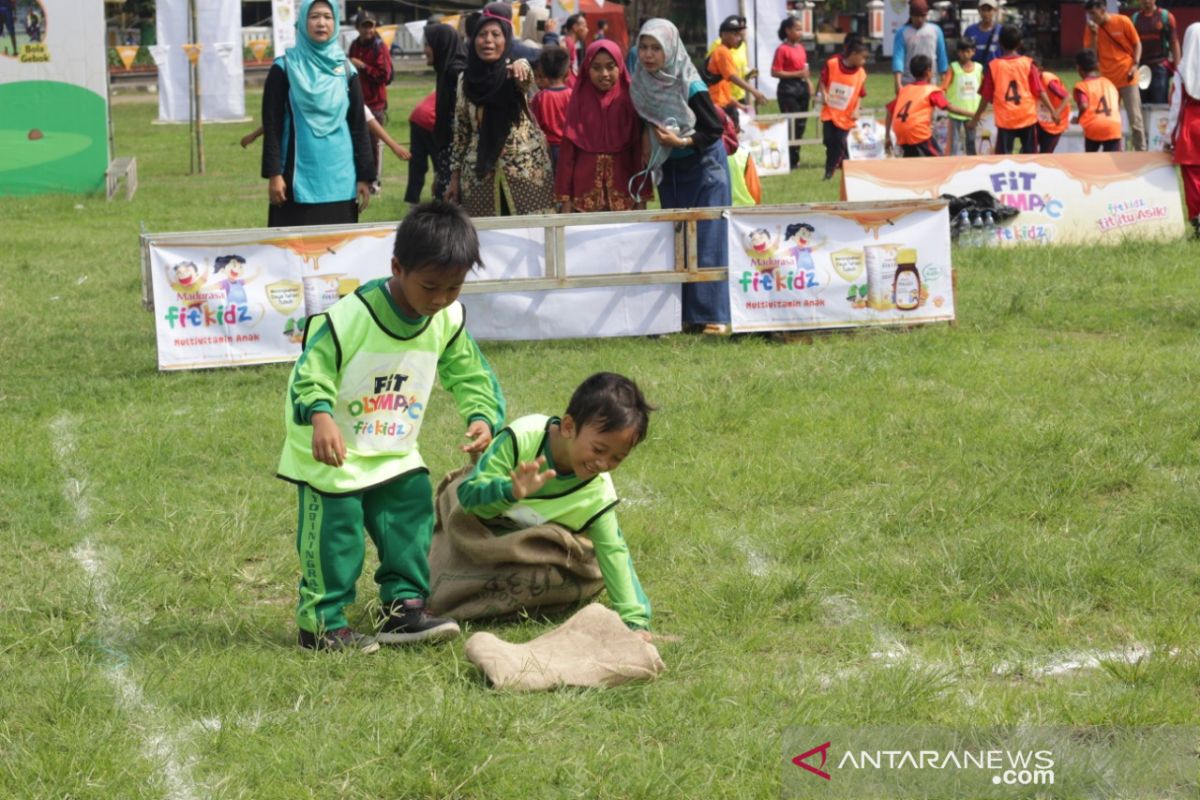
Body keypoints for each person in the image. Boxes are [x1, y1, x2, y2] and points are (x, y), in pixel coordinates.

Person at [278, 201, 506, 652]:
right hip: (333, 448)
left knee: (409, 517)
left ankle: (403, 609)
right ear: (397, 267)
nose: (440, 299)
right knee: (336, 536)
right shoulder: (349, 318)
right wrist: (321, 416)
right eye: (430, 286)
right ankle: (321, 625)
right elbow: (312, 373)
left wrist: (482, 416)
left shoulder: (446, 319)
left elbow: (470, 373)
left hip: (392, 444)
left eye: (454, 288)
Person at [456, 372, 654, 634]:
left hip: (532, 552)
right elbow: (469, 498)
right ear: (569, 426)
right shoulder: (522, 438)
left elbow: (614, 552)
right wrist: (509, 491)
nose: (603, 464)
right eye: (598, 449)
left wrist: (635, 622)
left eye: (617, 458)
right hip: (483, 534)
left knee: (572, 571)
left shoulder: (597, 492)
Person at [630, 18, 732, 334]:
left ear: (671, 49)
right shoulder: (642, 80)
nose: (648, 55)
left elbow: (714, 130)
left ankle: (713, 315)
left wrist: (683, 141)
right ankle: (684, 315)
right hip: (671, 167)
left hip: (704, 165)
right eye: (644, 48)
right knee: (676, 239)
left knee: (707, 237)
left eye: (656, 49)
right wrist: (650, 138)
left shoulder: (690, 84)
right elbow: (644, 116)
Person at [261, 0, 373, 227]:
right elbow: (272, 126)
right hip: (295, 181)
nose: (321, 23)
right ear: (302, 22)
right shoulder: (284, 68)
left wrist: (364, 175)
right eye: (314, 17)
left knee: (338, 254)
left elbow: (358, 126)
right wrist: (274, 174)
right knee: (293, 256)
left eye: (327, 16)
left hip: (341, 182)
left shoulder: (346, 71)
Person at [447, 3, 555, 216]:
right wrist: (454, 178)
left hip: (526, 174)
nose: (488, 40)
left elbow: (526, 78)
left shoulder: (514, 72)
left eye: (496, 34)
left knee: (533, 238)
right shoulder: (464, 79)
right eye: (482, 34)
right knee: (487, 242)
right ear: (473, 39)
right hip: (479, 178)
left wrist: (520, 65)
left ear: (506, 39)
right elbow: (461, 133)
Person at [557, 39, 651, 213]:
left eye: (610, 66)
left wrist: (641, 197)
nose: (604, 74)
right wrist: (565, 199)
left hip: (624, 196)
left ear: (620, 67)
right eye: (596, 68)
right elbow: (567, 155)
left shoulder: (630, 100)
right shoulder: (578, 101)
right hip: (582, 199)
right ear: (586, 69)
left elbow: (638, 153)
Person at [968, 25, 1050, 154]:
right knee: (1031, 156)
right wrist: (1053, 111)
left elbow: (985, 97)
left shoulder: (994, 66)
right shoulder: (1028, 63)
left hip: (1006, 119)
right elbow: (1040, 90)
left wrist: (975, 118)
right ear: (1019, 43)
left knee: (1003, 158)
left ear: (1000, 43)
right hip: (1026, 116)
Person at [1083, 0, 1145, 151]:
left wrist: (1135, 65)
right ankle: (1116, 152)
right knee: (1110, 120)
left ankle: (1141, 152)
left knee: (1135, 120)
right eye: (1089, 14)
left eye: (1093, 13)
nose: (1091, 17)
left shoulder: (1122, 21)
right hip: (1108, 82)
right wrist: (1095, 34)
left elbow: (1137, 44)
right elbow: (1091, 56)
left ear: (1103, 9)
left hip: (1128, 77)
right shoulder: (1090, 29)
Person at [886, 55, 974, 156]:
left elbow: (889, 111)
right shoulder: (931, 90)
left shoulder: (904, 90)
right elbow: (949, 107)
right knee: (938, 160)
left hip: (900, 133)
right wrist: (972, 114)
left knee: (912, 161)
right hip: (918, 132)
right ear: (928, 71)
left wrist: (888, 136)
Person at [348, 11, 393, 194]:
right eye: (364, 26)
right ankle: (361, 178)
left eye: (370, 25)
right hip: (358, 101)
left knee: (374, 143)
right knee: (357, 141)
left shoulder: (379, 47)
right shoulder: (354, 46)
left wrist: (364, 66)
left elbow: (385, 76)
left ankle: (375, 182)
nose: (368, 30)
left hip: (375, 104)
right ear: (357, 28)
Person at [424, 23, 467, 201]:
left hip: (458, 160)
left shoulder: (456, 73)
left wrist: (452, 176)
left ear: (441, 45)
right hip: (448, 158)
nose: (425, 50)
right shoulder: (445, 71)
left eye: (428, 44)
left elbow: (461, 124)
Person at [1165, 23, 1200, 236]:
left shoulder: (1182, 72)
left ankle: (1198, 220)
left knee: (1194, 177)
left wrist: (1169, 137)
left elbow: (1176, 106)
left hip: (1192, 129)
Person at [819, 36, 869, 180]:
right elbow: (823, 81)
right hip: (830, 112)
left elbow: (860, 92)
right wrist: (824, 93)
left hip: (846, 115)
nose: (863, 62)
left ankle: (831, 171)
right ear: (853, 54)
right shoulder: (832, 64)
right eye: (862, 58)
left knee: (840, 141)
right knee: (828, 140)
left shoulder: (861, 73)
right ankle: (841, 163)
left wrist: (857, 108)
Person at [772, 16, 815, 168]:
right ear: (788, 31)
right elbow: (775, 72)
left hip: (801, 89)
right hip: (788, 90)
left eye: (801, 29)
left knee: (801, 124)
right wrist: (796, 75)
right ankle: (788, 158)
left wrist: (809, 83)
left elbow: (805, 69)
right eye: (797, 29)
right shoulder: (782, 49)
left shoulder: (801, 48)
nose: (800, 32)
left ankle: (795, 157)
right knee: (790, 124)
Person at [708, 16, 767, 112]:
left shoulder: (725, 50)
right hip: (719, 106)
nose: (738, 38)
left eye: (739, 35)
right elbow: (732, 76)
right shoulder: (722, 51)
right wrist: (754, 91)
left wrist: (740, 106)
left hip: (724, 102)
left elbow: (723, 88)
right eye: (735, 34)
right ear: (724, 34)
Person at [529, 45, 573, 170]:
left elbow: (535, 126)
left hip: (547, 148)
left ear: (543, 70)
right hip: (569, 146)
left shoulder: (540, 97)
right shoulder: (572, 95)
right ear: (567, 72)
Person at [892, 0, 949, 93]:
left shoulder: (935, 30)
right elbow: (898, 59)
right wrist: (898, 83)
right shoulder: (902, 32)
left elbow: (942, 56)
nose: (919, 19)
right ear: (911, 15)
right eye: (916, 16)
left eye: (922, 16)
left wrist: (943, 81)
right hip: (908, 82)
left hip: (931, 82)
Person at [1073, 49, 1123, 151]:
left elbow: (1083, 105)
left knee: (1091, 161)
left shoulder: (1082, 86)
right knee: (1112, 162)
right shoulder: (1109, 83)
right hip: (1113, 125)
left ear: (1078, 68)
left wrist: (1078, 119)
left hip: (1094, 126)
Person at [1132, 0, 1180, 106]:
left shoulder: (1166, 17)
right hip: (1141, 68)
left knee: (1160, 103)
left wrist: (1178, 68)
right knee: (1141, 103)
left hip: (1160, 67)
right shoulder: (1135, 19)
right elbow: (1132, 44)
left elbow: (1174, 42)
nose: (1145, 1)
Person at [942, 39, 981, 155]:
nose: (964, 54)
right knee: (954, 143)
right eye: (961, 51)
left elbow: (984, 88)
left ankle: (972, 166)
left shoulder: (979, 68)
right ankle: (953, 166)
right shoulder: (953, 68)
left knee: (971, 142)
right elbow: (944, 87)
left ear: (973, 52)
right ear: (957, 52)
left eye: (968, 51)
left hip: (972, 113)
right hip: (955, 114)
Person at [723, 105, 763, 205]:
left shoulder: (704, 154)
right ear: (738, 128)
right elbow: (755, 192)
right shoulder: (744, 155)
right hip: (744, 214)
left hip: (715, 213)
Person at [405, 90, 437, 204]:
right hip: (431, 119)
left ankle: (412, 200)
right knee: (441, 165)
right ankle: (439, 198)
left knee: (417, 164)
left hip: (417, 116)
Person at [1035, 57, 1071, 153]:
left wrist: (1056, 113)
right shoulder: (1027, 80)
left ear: (1040, 69)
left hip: (1055, 122)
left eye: (1034, 71)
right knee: (1028, 150)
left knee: (1046, 153)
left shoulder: (1048, 81)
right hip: (1039, 120)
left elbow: (1066, 96)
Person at [961, 0, 1002, 71]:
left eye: (989, 10)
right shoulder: (970, 30)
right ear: (979, 11)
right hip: (975, 73)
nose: (986, 13)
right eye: (983, 10)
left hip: (996, 72)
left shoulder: (1001, 30)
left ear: (995, 10)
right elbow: (963, 52)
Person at [563, 13, 588, 86]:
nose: (587, 30)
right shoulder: (568, 44)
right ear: (575, 27)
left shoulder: (571, 44)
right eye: (584, 26)